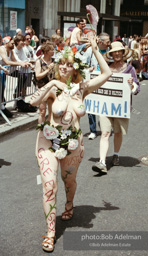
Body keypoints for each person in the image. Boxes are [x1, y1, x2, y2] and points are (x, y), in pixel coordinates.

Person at [30, 37, 112, 252]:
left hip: (74, 144)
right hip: (48, 141)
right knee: (49, 185)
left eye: (70, 63)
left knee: (69, 182)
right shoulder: (52, 88)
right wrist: (52, 83)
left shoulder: (81, 88)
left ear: (75, 67)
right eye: (62, 63)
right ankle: (50, 232)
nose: (65, 67)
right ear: (58, 65)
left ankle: (69, 204)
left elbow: (107, 74)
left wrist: (95, 50)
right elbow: (32, 101)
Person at [92, 41, 140, 174]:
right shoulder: (105, 67)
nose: (117, 54)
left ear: (123, 53)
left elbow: (137, 89)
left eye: (119, 51)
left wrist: (131, 85)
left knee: (118, 132)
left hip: (121, 107)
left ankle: (116, 154)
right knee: (105, 133)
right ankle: (102, 162)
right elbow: (97, 82)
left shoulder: (130, 69)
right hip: (105, 106)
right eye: (114, 52)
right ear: (111, 54)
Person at [84, 32, 111, 140]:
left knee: (104, 106)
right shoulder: (90, 51)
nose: (109, 43)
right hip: (93, 81)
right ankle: (93, 130)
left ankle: (105, 127)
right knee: (91, 106)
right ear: (100, 41)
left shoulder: (110, 52)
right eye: (107, 41)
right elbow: (84, 65)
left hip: (106, 81)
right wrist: (88, 69)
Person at [0, 37, 27, 117]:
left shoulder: (11, 51)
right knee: (2, 88)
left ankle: (16, 93)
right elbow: (7, 62)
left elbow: (15, 60)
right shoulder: (2, 49)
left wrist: (24, 63)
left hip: (8, 70)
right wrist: (20, 64)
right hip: (2, 72)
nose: (13, 44)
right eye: (12, 43)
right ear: (6, 43)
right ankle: (2, 105)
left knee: (23, 75)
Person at [35, 43, 55, 124]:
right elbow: (38, 76)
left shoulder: (54, 61)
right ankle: (41, 129)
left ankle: (51, 129)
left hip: (53, 88)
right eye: (52, 50)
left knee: (53, 111)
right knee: (42, 111)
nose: (53, 51)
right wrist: (48, 69)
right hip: (42, 88)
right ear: (46, 52)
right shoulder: (39, 62)